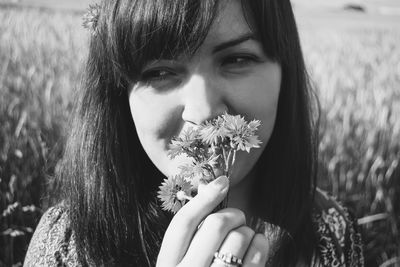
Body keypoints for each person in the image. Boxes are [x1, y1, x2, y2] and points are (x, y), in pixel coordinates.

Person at [24, 0, 364, 266]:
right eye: (159, 72)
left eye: (237, 59)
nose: (202, 112)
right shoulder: (67, 245)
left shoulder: (332, 234)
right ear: (118, 93)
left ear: (284, 73)